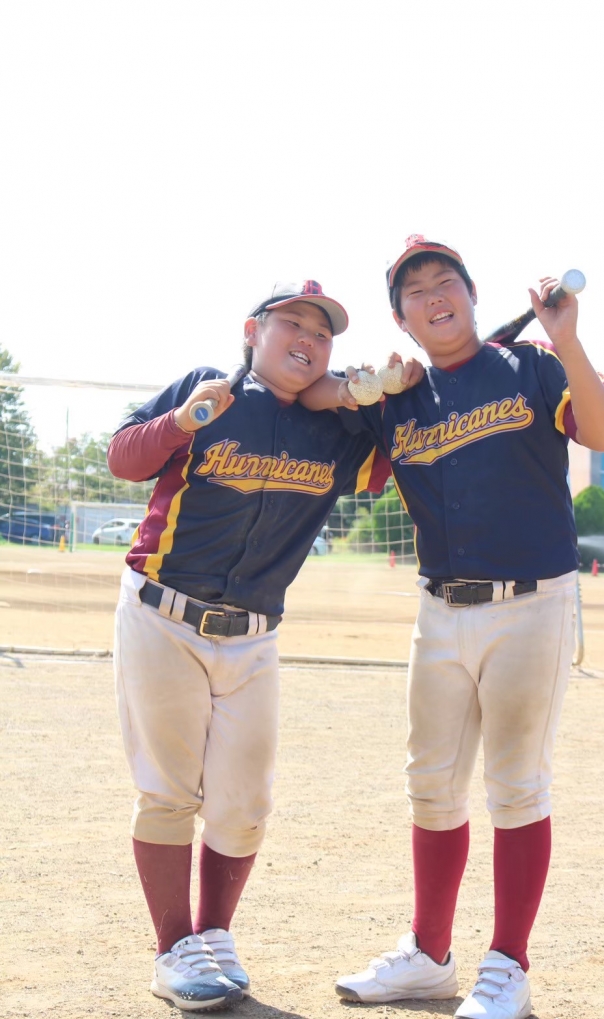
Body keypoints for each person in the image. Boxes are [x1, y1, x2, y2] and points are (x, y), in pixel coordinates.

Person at [299, 236, 604, 1019]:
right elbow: (307, 396)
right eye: (415, 291)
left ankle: (508, 964)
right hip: (439, 606)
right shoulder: (398, 397)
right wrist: (363, 382)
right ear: (402, 319)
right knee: (432, 785)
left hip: (531, 600)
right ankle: (430, 955)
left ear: (473, 296)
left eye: (445, 280)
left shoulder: (532, 365)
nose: (433, 295)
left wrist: (568, 339)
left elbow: (603, 432)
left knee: (516, 785)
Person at [108, 280, 417, 1012]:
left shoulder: (340, 433)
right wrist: (183, 419)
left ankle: (215, 935)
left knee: (244, 801)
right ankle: (173, 949)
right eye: (293, 324)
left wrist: (374, 391)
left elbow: (399, 456)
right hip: (163, 614)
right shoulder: (208, 389)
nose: (308, 339)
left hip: (253, 634)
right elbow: (124, 457)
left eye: (323, 332)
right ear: (254, 331)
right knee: (168, 791)